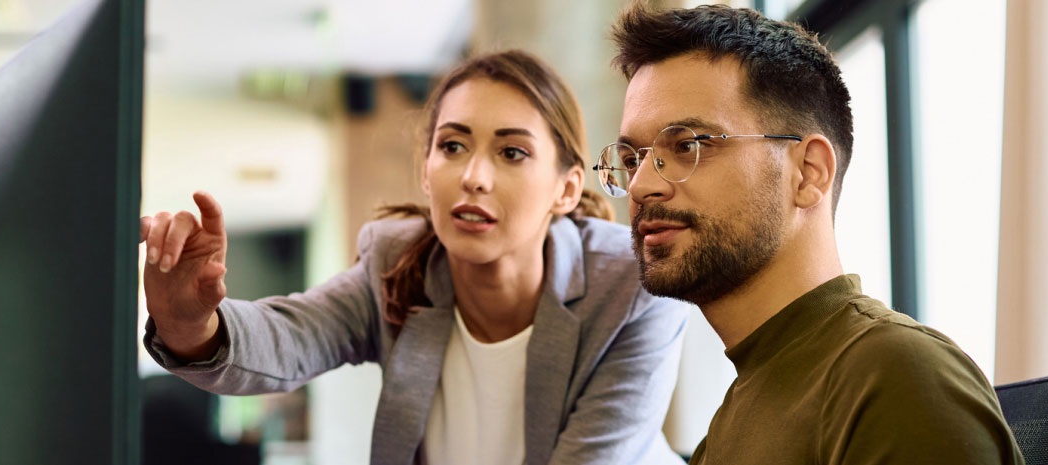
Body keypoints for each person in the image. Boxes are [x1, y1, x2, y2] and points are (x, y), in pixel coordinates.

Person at [139, 50, 687, 465]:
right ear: (425, 171)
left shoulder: (633, 283)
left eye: (512, 152)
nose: (473, 175)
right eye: (452, 146)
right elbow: (288, 338)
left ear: (566, 190)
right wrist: (190, 323)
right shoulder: (396, 261)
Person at [597, 4, 1025, 464]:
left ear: (808, 173)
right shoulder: (738, 411)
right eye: (630, 160)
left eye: (687, 146)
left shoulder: (895, 377)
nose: (641, 185)